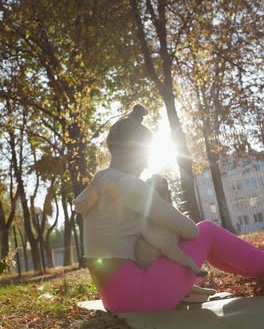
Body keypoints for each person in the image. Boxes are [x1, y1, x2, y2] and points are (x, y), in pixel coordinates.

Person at [74, 104, 264, 313]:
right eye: (145, 156)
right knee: (206, 230)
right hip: (139, 298)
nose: (146, 165)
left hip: (114, 301)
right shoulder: (130, 185)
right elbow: (190, 231)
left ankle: (259, 271)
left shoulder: (99, 183)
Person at [135, 174, 208, 278]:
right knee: (207, 229)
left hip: (156, 264)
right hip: (153, 270)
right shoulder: (154, 215)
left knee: (206, 229)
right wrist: (192, 265)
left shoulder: (150, 212)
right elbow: (169, 247)